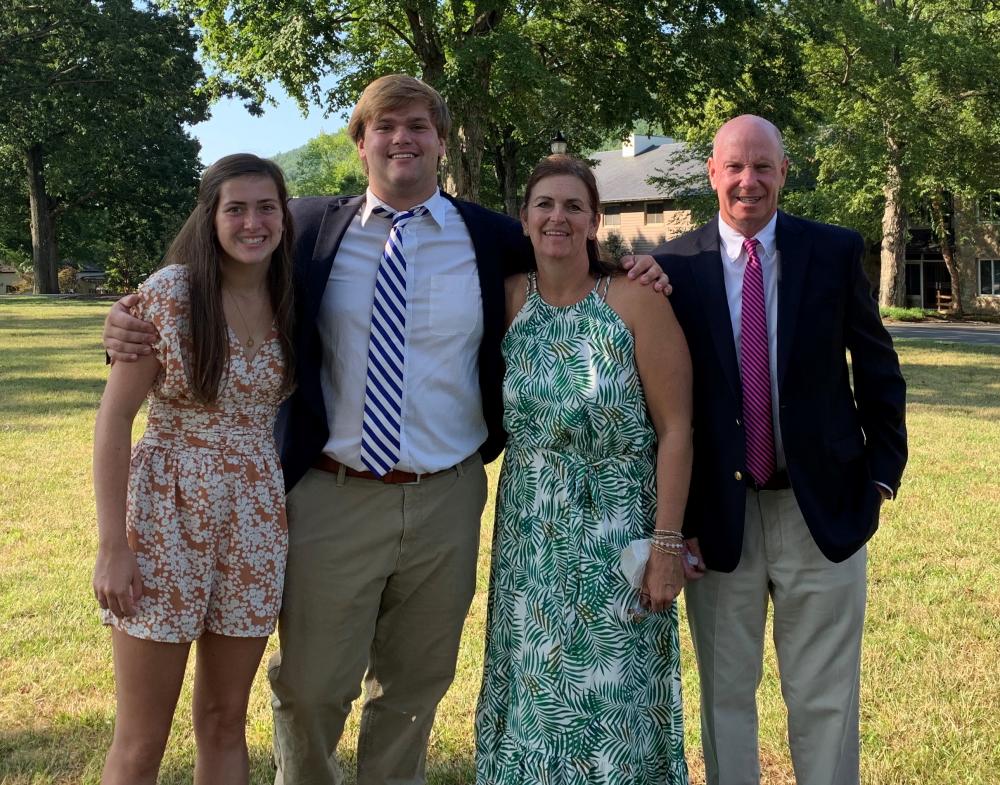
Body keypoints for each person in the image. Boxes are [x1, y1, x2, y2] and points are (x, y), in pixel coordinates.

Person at [101, 75, 670, 785]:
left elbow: (574, 260)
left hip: (448, 496)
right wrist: (127, 324)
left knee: (413, 687)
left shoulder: (491, 235)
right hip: (333, 493)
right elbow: (214, 273)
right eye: (386, 125)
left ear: (439, 140)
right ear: (361, 141)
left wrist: (642, 263)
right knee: (309, 686)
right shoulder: (305, 228)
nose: (403, 138)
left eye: (419, 125)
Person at [653, 115, 907, 785]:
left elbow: (879, 370)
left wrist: (880, 481)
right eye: (734, 166)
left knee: (824, 700)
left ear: (784, 173)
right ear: (712, 173)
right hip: (719, 519)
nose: (748, 180)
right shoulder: (676, 267)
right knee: (727, 700)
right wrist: (676, 527)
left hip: (819, 510)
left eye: (763, 166)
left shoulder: (832, 251)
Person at [475, 155, 693, 784]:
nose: (557, 217)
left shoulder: (635, 302)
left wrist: (667, 545)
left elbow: (677, 431)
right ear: (524, 218)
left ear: (596, 221)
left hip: (616, 537)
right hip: (530, 540)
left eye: (574, 206)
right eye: (544, 204)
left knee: (612, 704)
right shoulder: (509, 299)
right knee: (532, 700)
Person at [92, 153, 296, 785]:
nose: (253, 222)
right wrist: (112, 547)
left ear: (285, 215)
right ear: (211, 216)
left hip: (255, 522)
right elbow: (113, 420)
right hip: (165, 516)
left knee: (223, 719)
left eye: (267, 207)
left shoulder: (289, 292)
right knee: (143, 735)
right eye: (236, 208)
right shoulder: (169, 296)